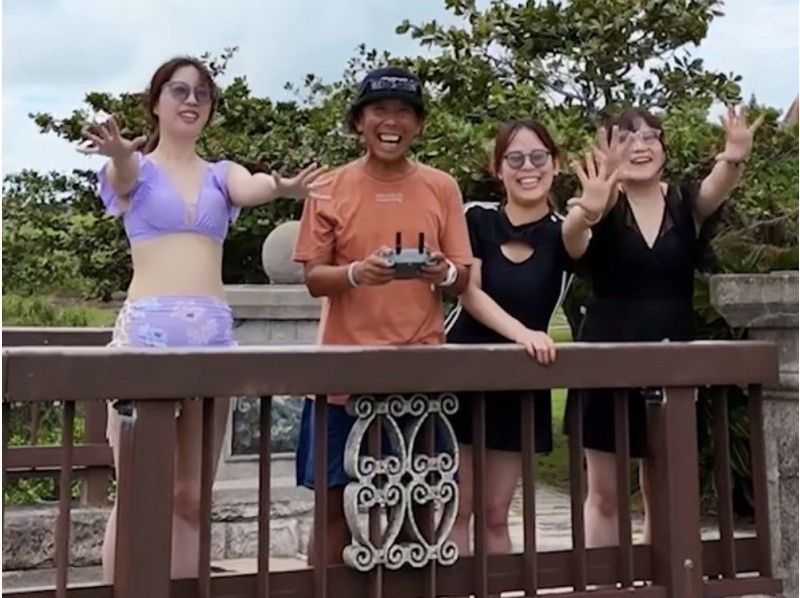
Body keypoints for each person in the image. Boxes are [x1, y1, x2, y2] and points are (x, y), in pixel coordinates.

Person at [80, 55, 328, 580]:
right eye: (179, 90)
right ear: (156, 102)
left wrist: (280, 188)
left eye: (203, 93)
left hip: (211, 339)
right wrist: (123, 154)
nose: (192, 100)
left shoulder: (220, 174)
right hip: (145, 338)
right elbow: (122, 177)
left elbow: (249, 186)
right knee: (139, 493)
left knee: (193, 495)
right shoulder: (137, 169)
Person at [292, 66, 474, 564]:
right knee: (332, 512)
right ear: (359, 121)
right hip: (341, 377)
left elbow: (464, 277)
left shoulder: (442, 187)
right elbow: (313, 276)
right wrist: (356, 274)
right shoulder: (329, 187)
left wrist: (440, 272)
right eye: (379, 110)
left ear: (418, 124)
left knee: (416, 512)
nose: (391, 121)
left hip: (420, 376)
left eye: (403, 112)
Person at [566, 105, 764, 547]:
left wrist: (733, 155)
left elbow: (718, 187)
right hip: (605, 364)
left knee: (666, 493)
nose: (640, 146)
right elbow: (572, 243)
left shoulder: (684, 202)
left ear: (665, 149)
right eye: (626, 137)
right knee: (606, 494)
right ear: (607, 147)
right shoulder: (601, 200)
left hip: (674, 367)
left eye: (651, 137)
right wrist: (587, 212)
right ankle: (608, 588)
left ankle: (669, 585)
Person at [446, 119, 624, 554]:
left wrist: (595, 204)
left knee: (493, 513)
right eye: (516, 158)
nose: (528, 167)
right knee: (455, 510)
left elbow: (579, 228)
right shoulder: (475, 218)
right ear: (498, 168)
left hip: (520, 384)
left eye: (539, 157)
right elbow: (469, 294)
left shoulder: (562, 231)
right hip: (460, 378)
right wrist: (523, 333)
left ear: (555, 164)